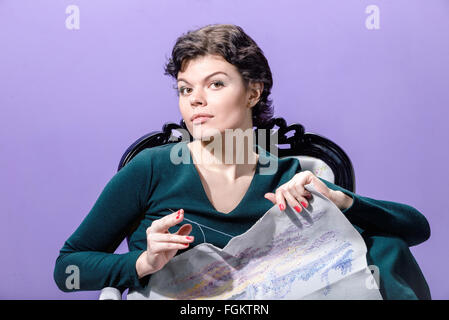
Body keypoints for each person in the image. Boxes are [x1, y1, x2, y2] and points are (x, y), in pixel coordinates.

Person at [53, 24, 431, 299]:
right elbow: (67, 269)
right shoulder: (152, 168)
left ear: (253, 92)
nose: (195, 100)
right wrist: (143, 263)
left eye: (215, 84)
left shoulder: (289, 176)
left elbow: (415, 229)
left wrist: (340, 200)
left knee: (384, 245)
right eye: (185, 89)